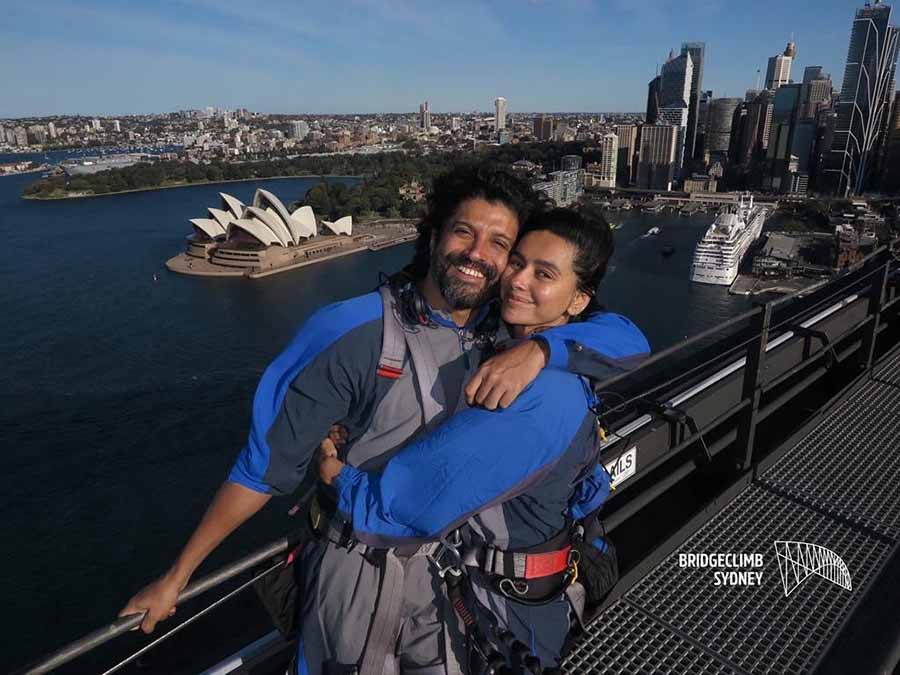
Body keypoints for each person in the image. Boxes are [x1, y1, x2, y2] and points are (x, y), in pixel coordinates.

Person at [120, 163, 648, 674]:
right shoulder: (354, 330)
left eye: (500, 245)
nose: (478, 255)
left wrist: (543, 351)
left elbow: (625, 335)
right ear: (435, 233)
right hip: (360, 571)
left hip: (451, 581)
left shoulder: (504, 328)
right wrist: (178, 576)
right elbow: (263, 467)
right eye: (464, 232)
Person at [318, 207, 646, 669]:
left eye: (544, 274)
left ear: (578, 301)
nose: (517, 280)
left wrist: (336, 478)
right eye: (518, 261)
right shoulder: (534, 345)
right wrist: (541, 346)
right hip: (532, 588)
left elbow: (404, 506)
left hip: (504, 611)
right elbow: (626, 334)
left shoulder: (537, 397)